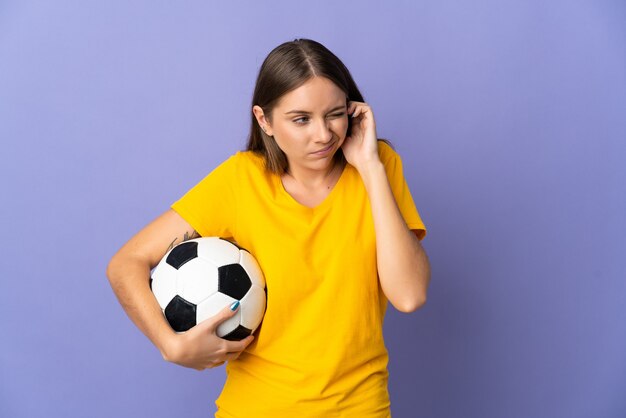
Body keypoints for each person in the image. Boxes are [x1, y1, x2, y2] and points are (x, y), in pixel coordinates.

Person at [107, 38, 430, 418]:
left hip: (360, 409)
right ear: (265, 121)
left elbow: (409, 295)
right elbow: (126, 262)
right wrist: (171, 345)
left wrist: (371, 168)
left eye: (335, 114)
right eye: (301, 119)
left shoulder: (380, 166)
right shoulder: (241, 180)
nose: (323, 134)